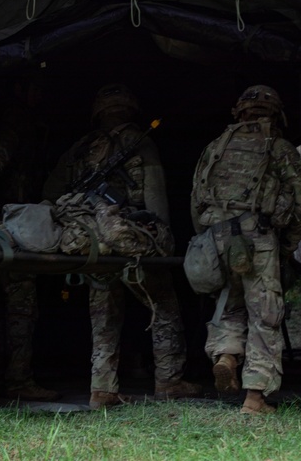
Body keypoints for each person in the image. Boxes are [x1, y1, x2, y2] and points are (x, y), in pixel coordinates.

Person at [42, 83, 200, 409]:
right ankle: (169, 381)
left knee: (103, 314)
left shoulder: (79, 149)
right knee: (163, 304)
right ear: (130, 108)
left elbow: (51, 194)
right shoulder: (140, 143)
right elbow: (155, 193)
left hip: (93, 241)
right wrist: (162, 240)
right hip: (131, 235)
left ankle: (102, 388)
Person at [190, 84, 301, 414]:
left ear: (239, 111)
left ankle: (227, 355)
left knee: (229, 303)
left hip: (217, 235)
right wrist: (289, 242)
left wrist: (207, 240)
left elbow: (196, 198)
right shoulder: (279, 147)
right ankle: (255, 398)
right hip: (257, 235)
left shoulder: (215, 147)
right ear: (277, 114)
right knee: (264, 313)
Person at [0, 79, 59, 401]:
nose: (39, 93)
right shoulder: (18, 120)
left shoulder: (30, 124)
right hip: (15, 227)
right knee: (20, 303)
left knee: (1, 305)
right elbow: (3, 151)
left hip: (11, 223)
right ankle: (17, 379)